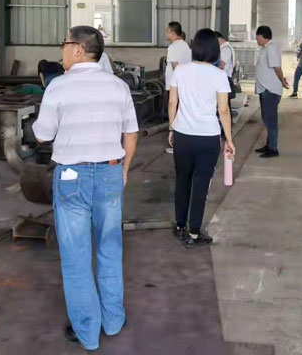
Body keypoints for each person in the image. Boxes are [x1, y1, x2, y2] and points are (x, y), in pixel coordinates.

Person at [33, 26, 139, 350]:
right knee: (110, 249)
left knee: (76, 256)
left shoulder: (58, 86)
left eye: (64, 44)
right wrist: (124, 170)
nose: (62, 50)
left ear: (78, 49)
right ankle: (113, 320)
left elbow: (42, 134)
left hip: (71, 177)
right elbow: (131, 133)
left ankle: (88, 333)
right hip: (110, 172)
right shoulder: (118, 86)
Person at [168, 29, 236, 247]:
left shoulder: (181, 71)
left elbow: (172, 103)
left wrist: (171, 128)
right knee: (201, 184)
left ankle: (180, 226)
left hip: (182, 135)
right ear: (215, 50)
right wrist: (229, 140)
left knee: (182, 180)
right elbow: (223, 110)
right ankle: (194, 233)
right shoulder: (219, 75)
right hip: (207, 137)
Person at [254, 26, 288, 158]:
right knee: (266, 119)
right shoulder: (265, 48)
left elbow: (277, 68)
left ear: (263, 36)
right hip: (265, 89)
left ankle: (273, 149)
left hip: (270, 90)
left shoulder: (272, 48)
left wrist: (282, 80)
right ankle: (269, 145)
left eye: (257, 36)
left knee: (271, 120)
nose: (256, 39)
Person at [164, 22, 192, 154]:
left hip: (175, 86)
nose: (166, 33)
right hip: (185, 85)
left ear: (172, 32)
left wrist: (178, 85)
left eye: (167, 31)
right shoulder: (186, 46)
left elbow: (176, 68)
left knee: (174, 113)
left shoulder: (173, 47)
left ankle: (176, 143)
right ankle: (184, 143)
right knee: (183, 113)